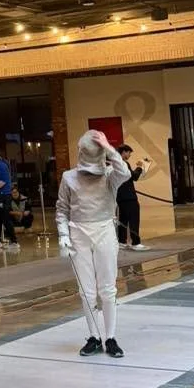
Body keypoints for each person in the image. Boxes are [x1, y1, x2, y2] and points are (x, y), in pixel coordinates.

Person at [56, 129, 132, 358]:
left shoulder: (110, 174)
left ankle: (110, 337)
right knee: (86, 291)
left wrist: (109, 149)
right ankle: (94, 337)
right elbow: (62, 209)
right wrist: (63, 235)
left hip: (104, 231)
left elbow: (125, 172)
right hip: (78, 233)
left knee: (108, 289)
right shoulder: (69, 177)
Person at [115, 145, 151, 251]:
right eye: (129, 152)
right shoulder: (123, 164)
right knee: (134, 219)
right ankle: (136, 243)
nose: (130, 155)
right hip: (129, 196)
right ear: (124, 152)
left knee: (123, 220)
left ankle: (122, 241)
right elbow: (134, 176)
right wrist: (140, 166)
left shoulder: (115, 164)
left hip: (120, 197)